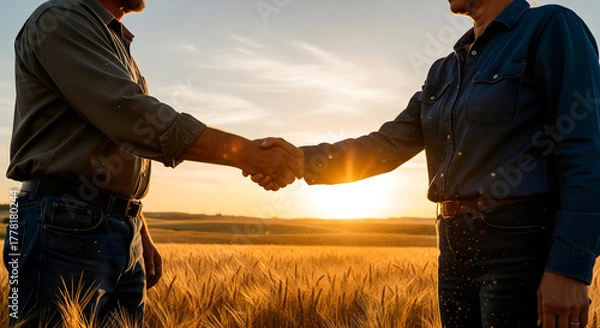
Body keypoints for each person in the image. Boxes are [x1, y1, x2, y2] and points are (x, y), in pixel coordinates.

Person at [248, 0, 600, 327]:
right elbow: (388, 143)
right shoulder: (445, 69)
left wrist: (570, 268)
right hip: (452, 247)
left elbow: (584, 148)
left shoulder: (551, 26)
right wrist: (301, 159)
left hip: (520, 246)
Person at [5, 0, 304, 326]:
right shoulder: (62, 18)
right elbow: (133, 118)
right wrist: (246, 152)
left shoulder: (113, 40)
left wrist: (137, 226)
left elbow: (117, 145)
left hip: (112, 228)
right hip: (62, 226)